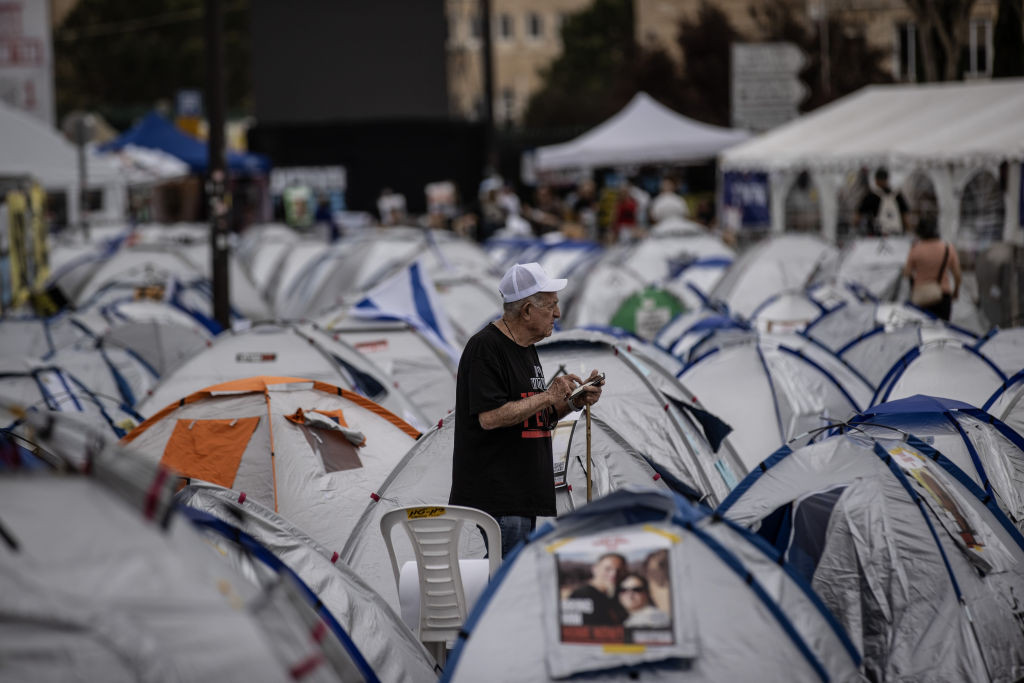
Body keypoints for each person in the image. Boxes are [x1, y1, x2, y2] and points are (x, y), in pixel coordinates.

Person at [449, 262, 603, 557]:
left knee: (508, 575)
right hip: (500, 495)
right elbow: (490, 418)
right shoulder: (485, 348)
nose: (558, 314)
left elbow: (531, 417)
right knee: (508, 581)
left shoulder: (526, 347)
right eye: (552, 306)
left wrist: (572, 402)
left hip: (522, 492)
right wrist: (547, 396)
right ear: (528, 310)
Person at [903, 215, 961, 321]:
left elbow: (907, 272)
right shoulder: (948, 248)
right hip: (943, 295)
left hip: (922, 296)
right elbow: (957, 275)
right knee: (943, 330)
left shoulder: (916, 249)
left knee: (923, 330)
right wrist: (956, 291)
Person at [569, 553, 628, 626]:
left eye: (619, 570)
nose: (614, 574)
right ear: (595, 569)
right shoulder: (582, 595)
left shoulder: (615, 594)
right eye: (608, 569)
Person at [856, 168, 909, 236]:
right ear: (887, 179)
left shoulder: (871, 195)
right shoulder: (897, 194)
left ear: (876, 180)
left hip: (876, 233)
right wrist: (908, 229)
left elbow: (859, 214)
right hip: (897, 233)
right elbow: (905, 215)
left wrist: (856, 226)